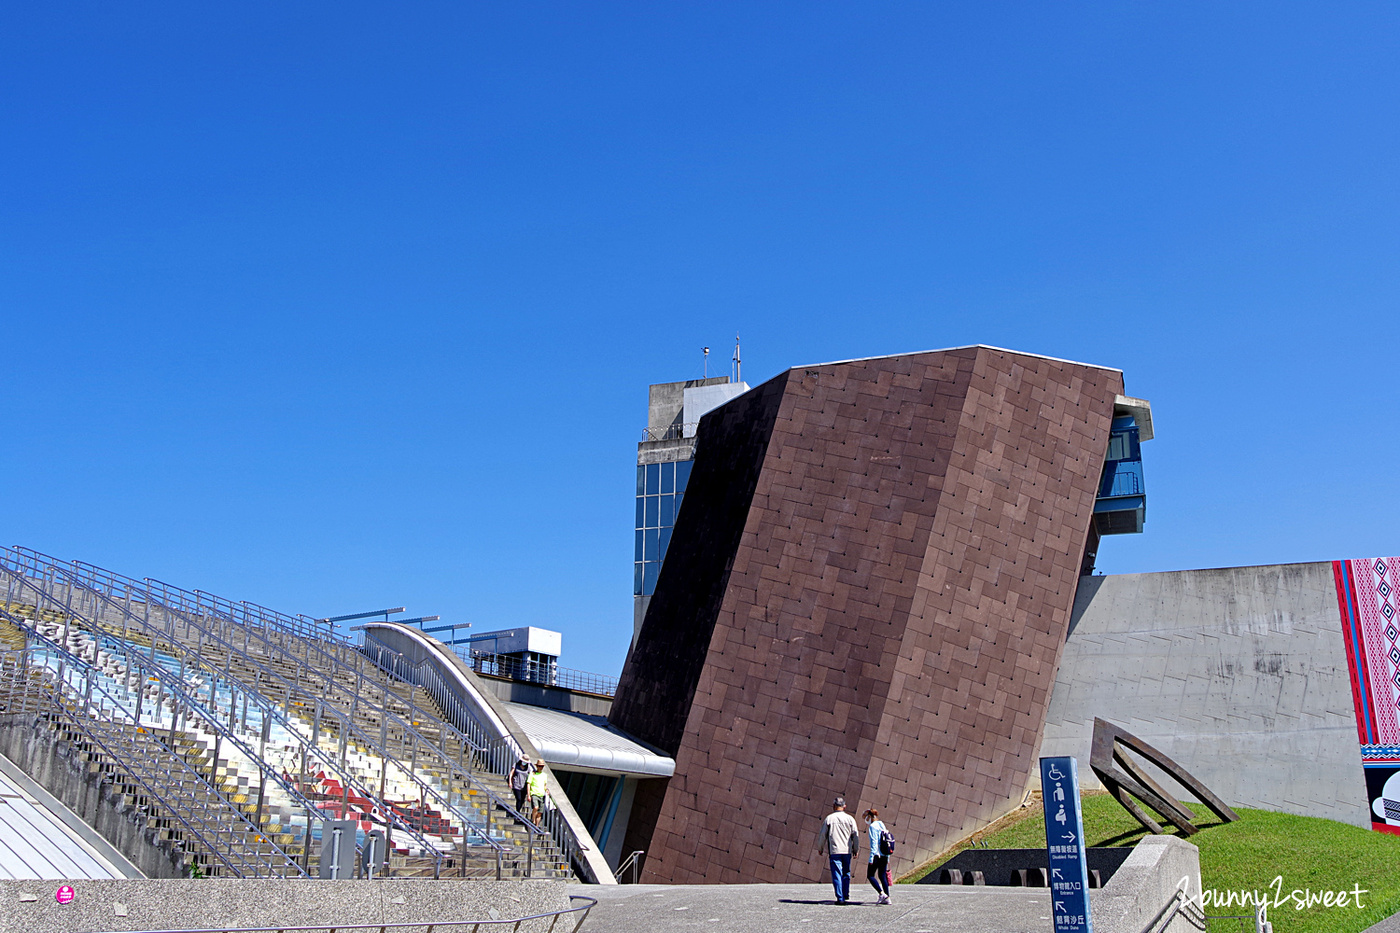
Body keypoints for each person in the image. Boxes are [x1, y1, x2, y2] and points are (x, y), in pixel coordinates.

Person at [818, 796, 860, 904]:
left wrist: (820, 848)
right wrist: (856, 849)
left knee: (837, 873)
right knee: (846, 873)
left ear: (834, 806)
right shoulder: (850, 819)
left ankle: (840, 897)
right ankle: (846, 894)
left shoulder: (829, 819)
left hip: (835, 850)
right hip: (847, 851)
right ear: (844, 806)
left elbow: (823, 835)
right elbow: (855, 835)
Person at [863, 808, 892, 904]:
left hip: (876, 855)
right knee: (882, 876)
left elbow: (874, 843)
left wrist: (871, 857)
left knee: (870, 875)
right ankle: (888, 897)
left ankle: (881, 894)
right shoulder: (881, 824)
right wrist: (888, 857)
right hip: (884, 854)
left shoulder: (873, 826)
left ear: (870, 816)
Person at [526, 758, 549, 826]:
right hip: (534, 793)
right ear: (537, 766)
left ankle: (537, 825)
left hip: (541, 794)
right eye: (539, 766)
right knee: (536, 807)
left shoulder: (544, 775)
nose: (540, 768)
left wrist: (546, 790)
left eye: (541, 766)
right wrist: (528, 795)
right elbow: (528, 784)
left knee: (540, 813)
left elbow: (544, 785)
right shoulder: (532, 774)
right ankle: (533, 820)